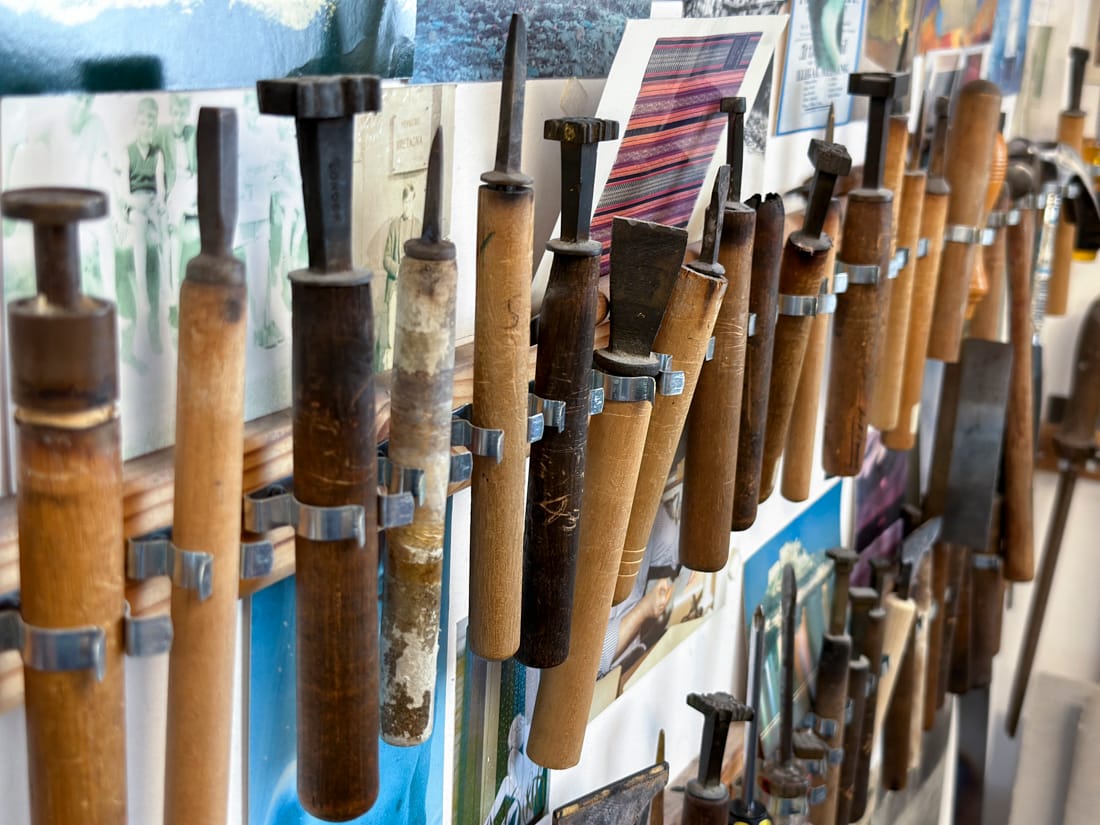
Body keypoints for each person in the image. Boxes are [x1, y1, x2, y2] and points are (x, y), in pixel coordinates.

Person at [114, 97, 168, 368]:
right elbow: (123, 192)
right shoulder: (127, 153)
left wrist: (158, 204)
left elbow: (161, 189)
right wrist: (138, 205)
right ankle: (143, 294)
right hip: (135, 205)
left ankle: (165, 291)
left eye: (151, 123)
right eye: (143, 122)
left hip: (151, 202)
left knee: (161, 231)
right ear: (136, 123)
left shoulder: (158, 154)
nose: (147, 128)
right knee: (138, 223)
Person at [158, 93, 198, 330]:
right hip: (173, 190)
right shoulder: (163, 134)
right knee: (171, 243)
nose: (179, 118)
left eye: (182, 113)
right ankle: (173, 302)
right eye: (175, 113)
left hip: (191, 187)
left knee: (177, 239)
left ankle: (180, 301)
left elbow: (198, 168)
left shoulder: (192, 133)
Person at [378, 183, 420, 369]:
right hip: (395, 286)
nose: (407, 206)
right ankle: (389, 368)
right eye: (404, 202)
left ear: (414, 201)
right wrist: (398, 270)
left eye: (409, 202)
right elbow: (386, 258)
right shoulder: (394, 226)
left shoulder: (419, 227)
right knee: (391, 332)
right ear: (401, 203)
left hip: (412, 288)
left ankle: (407, 369)